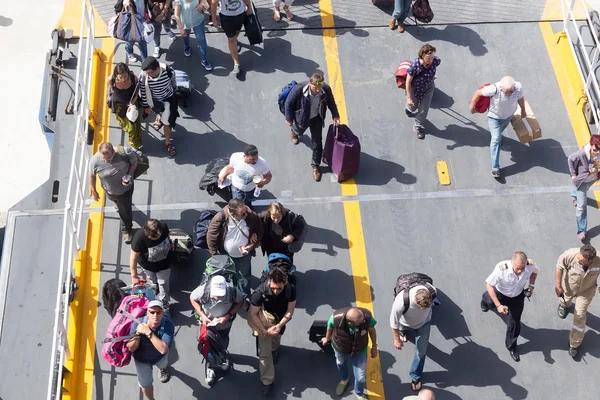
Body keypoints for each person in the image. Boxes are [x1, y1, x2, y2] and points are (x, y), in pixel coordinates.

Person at [480, 251, 539, 362]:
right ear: (512, 263)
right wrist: (498, 305)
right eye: (517, 268)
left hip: (517, 297)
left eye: (522, 268)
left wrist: (531, 286)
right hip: (500, 293)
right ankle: (485, 301)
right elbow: (489, 285)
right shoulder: (501, 269)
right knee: (490, 300)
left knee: (514, 323)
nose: (520, 271)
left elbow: (535, 272)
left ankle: (511, 346)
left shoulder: (530, 266)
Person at [284, 72, 340, 182]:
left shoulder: (325, 89)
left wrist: (335, 115)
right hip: (302, 118)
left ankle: (315, 166)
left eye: (320, 87)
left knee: (317, 142)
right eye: (316, 87)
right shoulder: (299, 89)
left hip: (317, 119)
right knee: (298, 130)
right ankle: (294, 133)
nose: (318, 90)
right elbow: (289, 103)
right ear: (310, 83)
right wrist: (289, 118)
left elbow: (331, 102)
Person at [249, 267, 296, 395]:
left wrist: (280, 325)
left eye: (279, 288)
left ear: (285, 282)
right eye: (273, 288)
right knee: (264, 354)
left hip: (279, 321)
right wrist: (264, 331)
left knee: (276, 338)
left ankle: (275, 349)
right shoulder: (259, 293)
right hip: (264, 322)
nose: (275, 291)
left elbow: (290, 310)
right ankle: (267, 381)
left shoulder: (290, 289)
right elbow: (254, 314)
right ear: (269, 281)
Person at [190, 275, 244, 385]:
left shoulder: (232, 291)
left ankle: (222, 358)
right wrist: (202, 315)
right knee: (207, 345)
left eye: (221, 294)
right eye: (216, 294)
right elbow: (192, 298)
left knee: (223, 343)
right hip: (207, 325)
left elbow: (240, 301)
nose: (218, 297)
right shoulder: (204, 290)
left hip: (224, 325)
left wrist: (228, 315)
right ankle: (211, 366)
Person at [469, 76, 526, 178]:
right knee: (496, 139)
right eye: (506, 92)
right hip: (494, 118)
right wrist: (471, 107)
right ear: (501, 88)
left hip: (508, 116)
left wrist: (523, 110)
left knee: (499, 133)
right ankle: (495, 168)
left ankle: (498, 136)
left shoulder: (519, 87)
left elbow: (520, 98)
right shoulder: (493, 89)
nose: (509, 94)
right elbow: (478, 93)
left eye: (511, 92)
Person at [207, 198, 264, 296]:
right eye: (242, 214)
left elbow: (260, 231)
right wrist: (214, 254)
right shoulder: (220, 218)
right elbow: (211, 236)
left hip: (245, 255)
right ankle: (231, 291)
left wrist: (252, 243)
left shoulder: (251, 216)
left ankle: (244, 296)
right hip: (226, 254)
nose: (246, 214)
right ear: (233, 215)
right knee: (229, 274)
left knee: (244, 276)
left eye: (245, 210)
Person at [320, 307, 378, 400]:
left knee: (361, 378)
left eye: (363, 320)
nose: (364, 323)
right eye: (360, 323)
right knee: (340, 363)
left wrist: (374, 346)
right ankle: (344, 379)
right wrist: (327, 338)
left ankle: (358, 392)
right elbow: (329, 327)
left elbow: (372, 330)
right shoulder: (336, 318)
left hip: (360, 348)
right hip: (340, 346)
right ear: (350, 323)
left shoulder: (366, 318)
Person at [555, 245, 600, 358]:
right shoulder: (570, 255)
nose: (578, 260)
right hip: (570, 285)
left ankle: (574, 344)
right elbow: (559, 267)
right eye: (578, 258)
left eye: (581, 260)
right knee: (566, 299)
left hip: (587, 290)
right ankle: (564, 305)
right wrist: (558, 285)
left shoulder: (598, 260)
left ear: (590, 261)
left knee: (580, 316)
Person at [390, 284, 436, 392]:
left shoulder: (432, 291)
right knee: (401, 328)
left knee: (421, 352)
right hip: (405, 323)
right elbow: (393, 323)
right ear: (415, 301)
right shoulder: (401, 302)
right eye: (421, 308)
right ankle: (402, 332)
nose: (424, 309)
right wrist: (396, 340)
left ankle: (415, 376)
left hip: (424, 324)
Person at [89, 142, 137, 243]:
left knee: (125, 210)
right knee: (113, 199)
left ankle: (126, 229)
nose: (107, 161)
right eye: (104, 159)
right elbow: (92, 176)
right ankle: (117, 203)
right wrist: (93, 190)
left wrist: (129, 175)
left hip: (125, 190)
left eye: (109, 159)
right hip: (109, 189)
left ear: (113, 151)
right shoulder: (94, 161)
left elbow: (134, 162)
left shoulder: (125, 152)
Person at [126, 300, 174, 400]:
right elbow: (131, 347)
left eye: (159, 312)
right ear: (147, 313)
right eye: (152, 312)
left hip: (159, 357)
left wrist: (148, 332)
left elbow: (163, 349)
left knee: (163, 364)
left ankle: (162, 369)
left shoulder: (169, 324)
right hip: (141, 360)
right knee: (146, 384)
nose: (155, 315)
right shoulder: (137, 323)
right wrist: (138, 334)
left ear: (162, 313)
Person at [139, 57, 179, 157]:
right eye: (147, 73)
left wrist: (175, 94)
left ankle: (167, 142)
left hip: (168, 99)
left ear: (157, 68)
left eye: (150, 73)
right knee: (159, 111)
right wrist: (146, 106)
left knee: (168, 121)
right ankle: (160, 117)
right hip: (154, 100)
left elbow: (173, 84)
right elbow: (143, 91)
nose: (149, 75)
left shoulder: (169, 71)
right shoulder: (144, 76)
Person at [130, 219, 173, 309]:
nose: (157, 237)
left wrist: (170, 243)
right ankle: (155, 287)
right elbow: (133, 257)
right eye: (154, 237)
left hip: (164, 262)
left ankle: (164, 303)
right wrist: (134, 276)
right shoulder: (139, 239)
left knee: (163, 283)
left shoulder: (163, 227)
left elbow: (167, 235)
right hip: (148, 265)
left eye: (159, 235)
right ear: (146, 232)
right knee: (152, 280)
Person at [567, 134, 600, 240]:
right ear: (591, 145)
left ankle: (574, 195)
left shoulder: (598, 152)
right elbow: (570, 159)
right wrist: (573, 175)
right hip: (583, 180)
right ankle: (581, 230)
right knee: (581, 207)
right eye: (596, 149)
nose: (598, 152)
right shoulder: (582, 154)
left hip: (593, 179)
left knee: (580, 190)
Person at [405, 44, 440, 140]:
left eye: (432, 57)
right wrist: (409, 98)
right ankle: (408, 108)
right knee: (413, 107)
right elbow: (408, 82)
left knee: (424, 110)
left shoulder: (435, 61)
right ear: (422, 56)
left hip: (428, 87)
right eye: (428, 58)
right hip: (415, 88)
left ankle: (417, 126)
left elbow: (435, 63)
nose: (431, 60)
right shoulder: (414, 66)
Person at [211, 0, 252, 77]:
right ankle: (236, 63)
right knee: (231, 39)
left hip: (240, 14)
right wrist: (214, 19)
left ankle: (235, 41)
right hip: (227, 17)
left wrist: (249, 7)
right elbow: (214, 2)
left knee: (236, 32)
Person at [107, 63, 143, 150]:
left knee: (133, 127)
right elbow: (111, 89)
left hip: (131, 103)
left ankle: (134, 144)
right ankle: (125, 126)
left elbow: (137, 88)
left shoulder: (133, 78)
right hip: (118, 104)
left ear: (128, 73)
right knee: (122, 121)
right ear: (116, 75)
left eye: (125, 76)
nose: (123, 79)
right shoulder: (111, 79)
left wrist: (134, 100)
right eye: (120, 77)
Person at [173, 0, 213, 70]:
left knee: (201, 40)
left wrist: (202, 3)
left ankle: (204, 60)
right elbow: (176, 15)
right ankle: (187, 46)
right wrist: (181, 29)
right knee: (185, 36)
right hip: (185, 23)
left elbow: (206, 3)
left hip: (198, 21)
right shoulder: (179, 1)